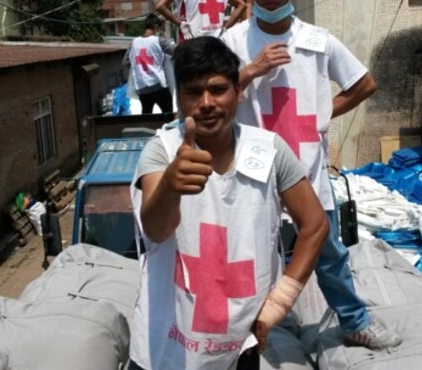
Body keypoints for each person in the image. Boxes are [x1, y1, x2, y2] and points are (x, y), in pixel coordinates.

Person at [220, 0, 400, 350]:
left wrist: (323, 114)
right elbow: (214, 99)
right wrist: (250, 71)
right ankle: (242, 330)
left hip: (307, 167)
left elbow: (364, 83)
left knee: (329, 252)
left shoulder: (317, 41)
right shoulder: (232, 42)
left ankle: (354, 322)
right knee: (247, 252)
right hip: (252, 167)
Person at [129, 36, 329, 369]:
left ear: (238, 90)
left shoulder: (269, 150)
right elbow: (156, 229)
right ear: (179, 97)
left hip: (241, 347)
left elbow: (315, 224)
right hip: (165, 347)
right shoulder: (161, 151)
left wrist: (279, 302)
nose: (206, 103)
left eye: (218, 89)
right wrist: (170, 186)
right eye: (193, 92)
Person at [122, 14, 176, 114]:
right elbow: (177, 52)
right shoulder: (159, 41)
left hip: (142, 88)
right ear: (156, 26)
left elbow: (125, 62)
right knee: (168, 115)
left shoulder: (134, 42)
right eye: (159, 28)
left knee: (147, 116)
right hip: (158, 86)